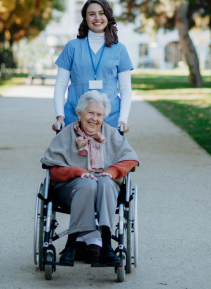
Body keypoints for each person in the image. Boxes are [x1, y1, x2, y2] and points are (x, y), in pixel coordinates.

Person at [41, 90, 139, 266]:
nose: (95, 118)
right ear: (79, 113)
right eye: (90, 113)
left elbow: (130, 159)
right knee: (87, 183)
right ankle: (70, 246)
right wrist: (76, 172)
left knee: (105, 182)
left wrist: (113, 172)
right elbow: (53, 171)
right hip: (71, 190)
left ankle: (107, 247)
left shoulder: (111, 134)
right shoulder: (66, 134)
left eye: (99, 114)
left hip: (105, 190)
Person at [52, 0, 133, 134]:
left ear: (108, 16)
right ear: (85, 18)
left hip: (110, 119)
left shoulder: (120, 49)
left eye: (101, 13)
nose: (97, 18)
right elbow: (60, 85)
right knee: (75, 155)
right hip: (75, 117)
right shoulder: (72, 47)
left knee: (108, 155)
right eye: (91, 14)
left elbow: (125, 88)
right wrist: (60, 117)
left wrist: (123, 119)